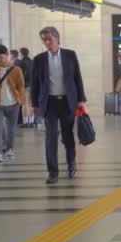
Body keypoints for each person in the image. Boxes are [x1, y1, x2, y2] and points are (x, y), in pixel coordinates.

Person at [32, 26, 87, 184]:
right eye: (44, 39)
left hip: (67, 101)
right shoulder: (39, 59)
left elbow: (77, 78)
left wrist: (81, 99)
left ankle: (71, 165)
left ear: (57, 38)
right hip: (49, 103)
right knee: (51, 137)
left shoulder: (70, 55)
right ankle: (53, 172)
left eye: (49, 38)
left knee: (68, 136)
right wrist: (35, 104)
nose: (47, 42)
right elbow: (35, 84)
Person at [0, 45, 25, 163]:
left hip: (13, 104)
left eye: (1, 57)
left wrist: (21, 100)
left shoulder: (16, 69)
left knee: (11, 129)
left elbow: (21, 86)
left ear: (7, 55)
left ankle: (9, 149)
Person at [17, 48, 34, 128]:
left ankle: (25, 122)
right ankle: (31, 122)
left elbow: (19, 76)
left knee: (24, 104)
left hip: (25, 86)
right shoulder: (32, 62)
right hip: (33, 85)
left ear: (21, 54)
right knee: (31, 104)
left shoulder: (21, 63)